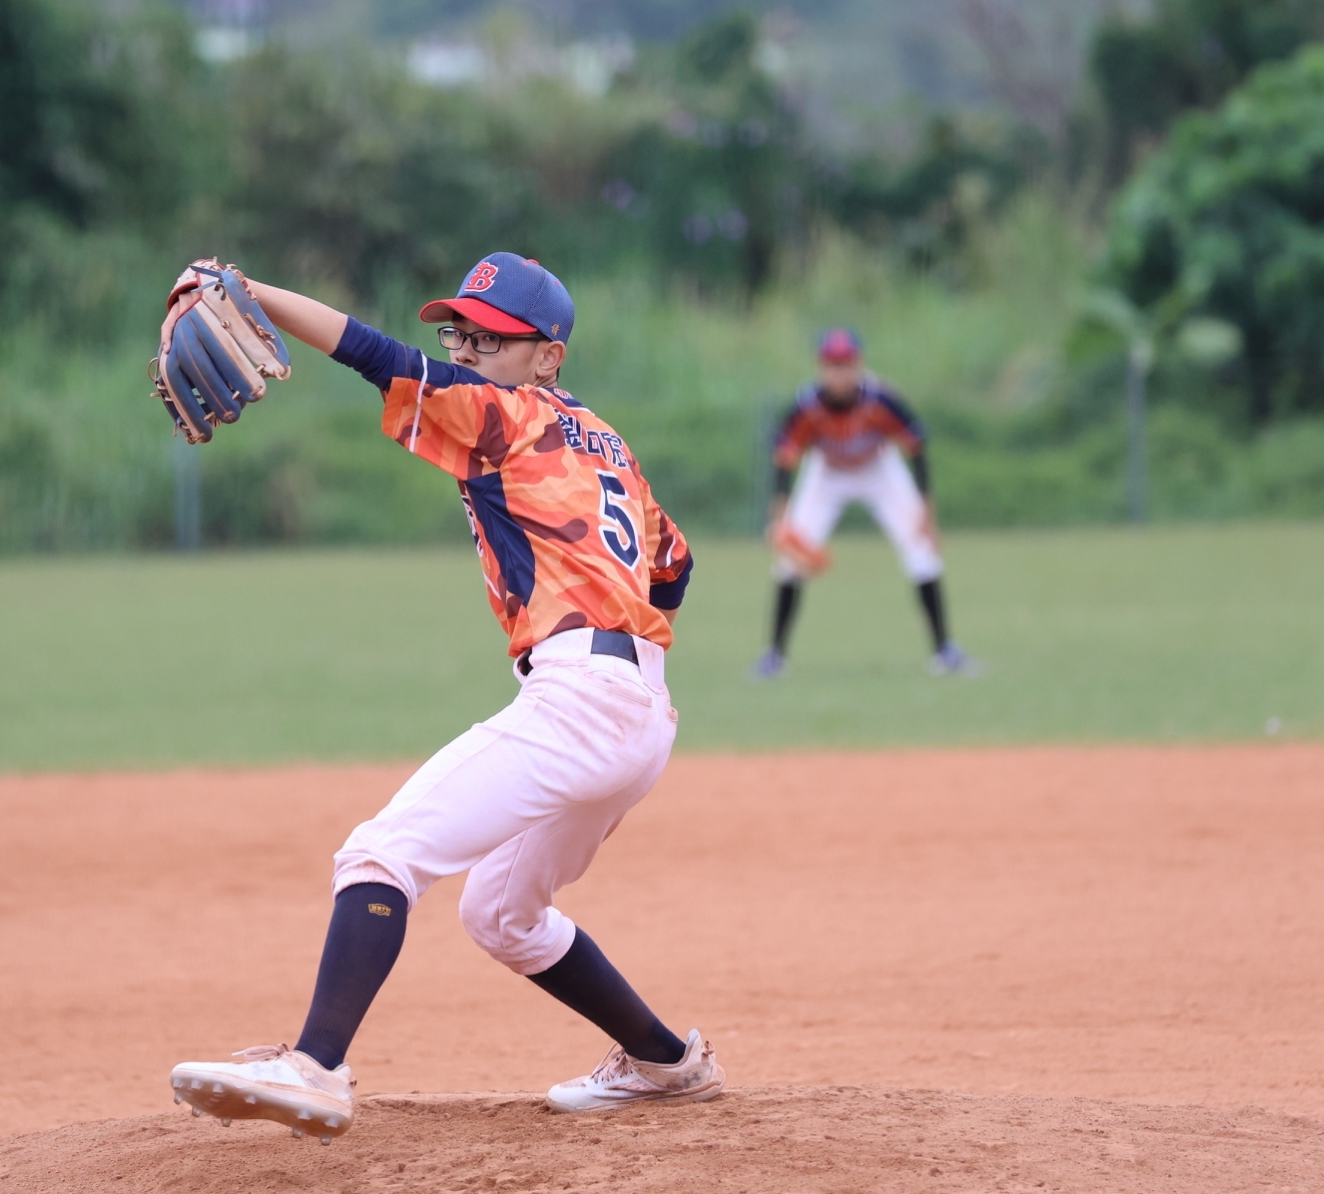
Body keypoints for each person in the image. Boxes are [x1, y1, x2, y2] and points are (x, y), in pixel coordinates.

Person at [167, 253, 723, 1143]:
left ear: (547, 356)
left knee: (381, 851)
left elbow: (374, 353)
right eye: (461, 332)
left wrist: (253, 292)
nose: (467, 349)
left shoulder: (503, 412)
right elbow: (674, 567)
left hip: (582, 697)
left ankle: (315, 1065)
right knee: (500, 913)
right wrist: (633, 668)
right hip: (641, 713)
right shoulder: (606, 440)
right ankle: (667, 1062)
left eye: (492, 338)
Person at [754, 327, 975, 679]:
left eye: (846, 364)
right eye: (832, 364)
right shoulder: (807, 406)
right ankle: (774, 657)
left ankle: (945, 652)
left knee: (922, 553)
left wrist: (926, 510)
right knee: (791, 560)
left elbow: (916, 444)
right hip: (826, 473)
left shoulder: (880, 399)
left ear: (858, 365)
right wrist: (780, 514)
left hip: (879, 469)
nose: (839, 372)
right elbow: (785, 455)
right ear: (821, 367)